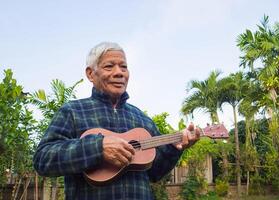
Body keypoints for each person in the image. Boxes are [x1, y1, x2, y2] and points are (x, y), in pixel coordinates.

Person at [33, 42, 200, 200]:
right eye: (109, 66)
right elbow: (43, 159)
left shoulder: (142, 119)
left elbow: (155, 173)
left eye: (124, 67)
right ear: (90, 74)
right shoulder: (73, 111)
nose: (119, 72)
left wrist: (174, 148)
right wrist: (97, 148)